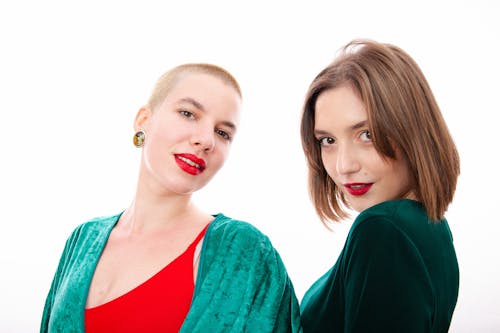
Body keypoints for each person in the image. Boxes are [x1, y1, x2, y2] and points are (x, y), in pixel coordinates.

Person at [41, 63, 301, 332]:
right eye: (188, 113)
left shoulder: (243, 251)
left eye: (223, 133)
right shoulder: (81, 240)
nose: (205, 140)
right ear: (144, 120)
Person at [299, 40, 460, 332]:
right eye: (328, 140)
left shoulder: (383, 230)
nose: (343, 166)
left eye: (367, 134)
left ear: (411, 131)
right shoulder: (431, 229)